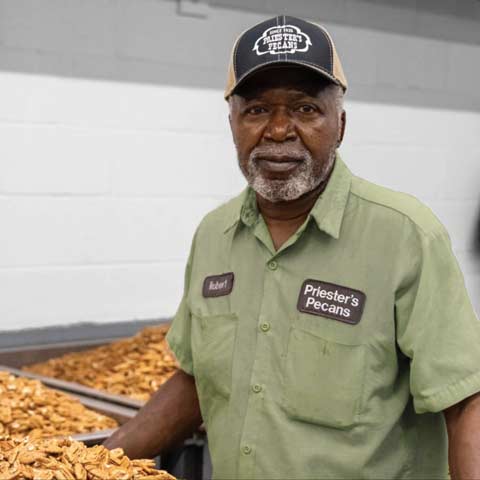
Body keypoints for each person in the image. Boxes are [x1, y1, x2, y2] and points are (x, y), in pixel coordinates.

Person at [104, 16, 480, 479]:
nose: (279, 130)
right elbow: (198, 381)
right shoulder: (213, 236)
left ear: (339, 125)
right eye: (257, 110)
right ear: (232, 125)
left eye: (304, 109)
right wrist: (93, 461)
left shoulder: (405, 235)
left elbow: (465, 402)